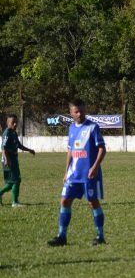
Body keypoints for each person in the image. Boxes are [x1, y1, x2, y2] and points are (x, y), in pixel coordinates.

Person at [47, 99, 107, 246]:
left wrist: (94, 167)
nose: (80, 113)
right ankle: (62, 236)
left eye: (82, 110)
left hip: (89, 174)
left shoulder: (93, 127)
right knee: (65, 200)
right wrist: (66, 171)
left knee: (93, 203)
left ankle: (100, 236)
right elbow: (70, 151)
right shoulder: (72, 128)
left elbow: (102, 149)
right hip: (74, 174)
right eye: (76, 111)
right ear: (71, 113)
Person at [1, 115, 35, 207]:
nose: (15, 124)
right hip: (9, 160)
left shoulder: (14, 133)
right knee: (16, 180)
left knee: (11, 182)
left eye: (16, 122)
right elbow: (3, 148)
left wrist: (29, 150)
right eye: (13, 122)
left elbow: (19, 145)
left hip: (13, 160)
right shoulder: (7, 133)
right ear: (8, 123)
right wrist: (7, 160)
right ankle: (15, 202)